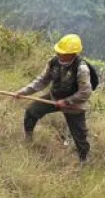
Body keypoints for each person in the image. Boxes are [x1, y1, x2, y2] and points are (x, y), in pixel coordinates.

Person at [15, 34, 92, 163]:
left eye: (62, 52)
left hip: (74, 105)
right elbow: (42, 80)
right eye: (58, 51)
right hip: (54, 97)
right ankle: (28, 139)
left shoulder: (81, 69)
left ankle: (83, 160)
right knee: (31, 111)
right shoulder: (54, 62)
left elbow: (85, 92)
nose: (58, 54)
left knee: (79, 136)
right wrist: (23, 92)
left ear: (73, 54)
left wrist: (67, 101)